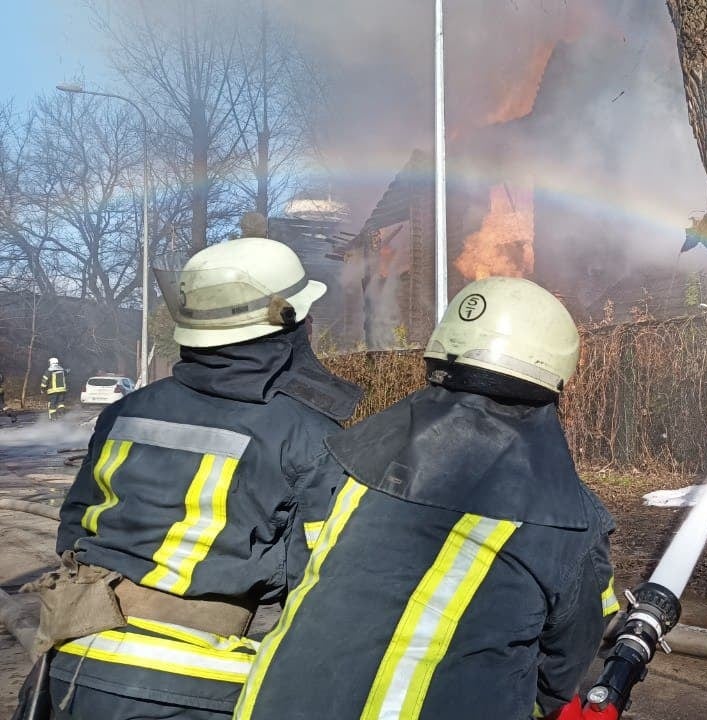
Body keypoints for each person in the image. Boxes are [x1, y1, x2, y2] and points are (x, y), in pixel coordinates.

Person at [234, 277, 618, 720]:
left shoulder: (348, 463)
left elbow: (302, 580)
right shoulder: (571, 522)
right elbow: (561, 675)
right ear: (555, 377)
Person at [15, 237, 363, 720]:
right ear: (289, 324)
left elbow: (74, 529)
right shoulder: (309, 433)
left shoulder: (127, 411)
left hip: (73, 665)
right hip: (194, 688)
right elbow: (323, 585)